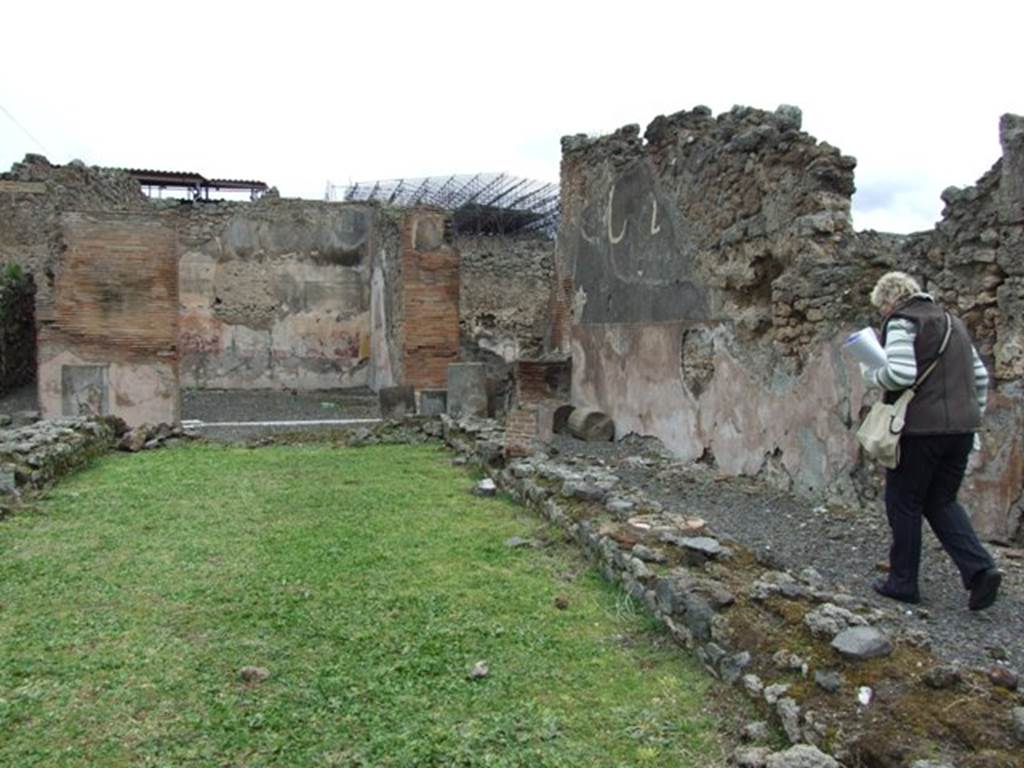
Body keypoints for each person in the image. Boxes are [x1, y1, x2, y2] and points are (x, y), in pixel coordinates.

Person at [860, 271, 1001, 610]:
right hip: (962, 431)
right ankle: (980, 570)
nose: (884, 314)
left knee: (903, 502)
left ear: (890, 300)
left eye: (882, 309)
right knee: (941, 501)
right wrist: (972, 418)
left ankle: (902, 582)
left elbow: (901, 374)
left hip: (919, 431)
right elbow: (980, 377)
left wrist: (871, 373)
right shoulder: (954, 323)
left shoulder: (902, 322)